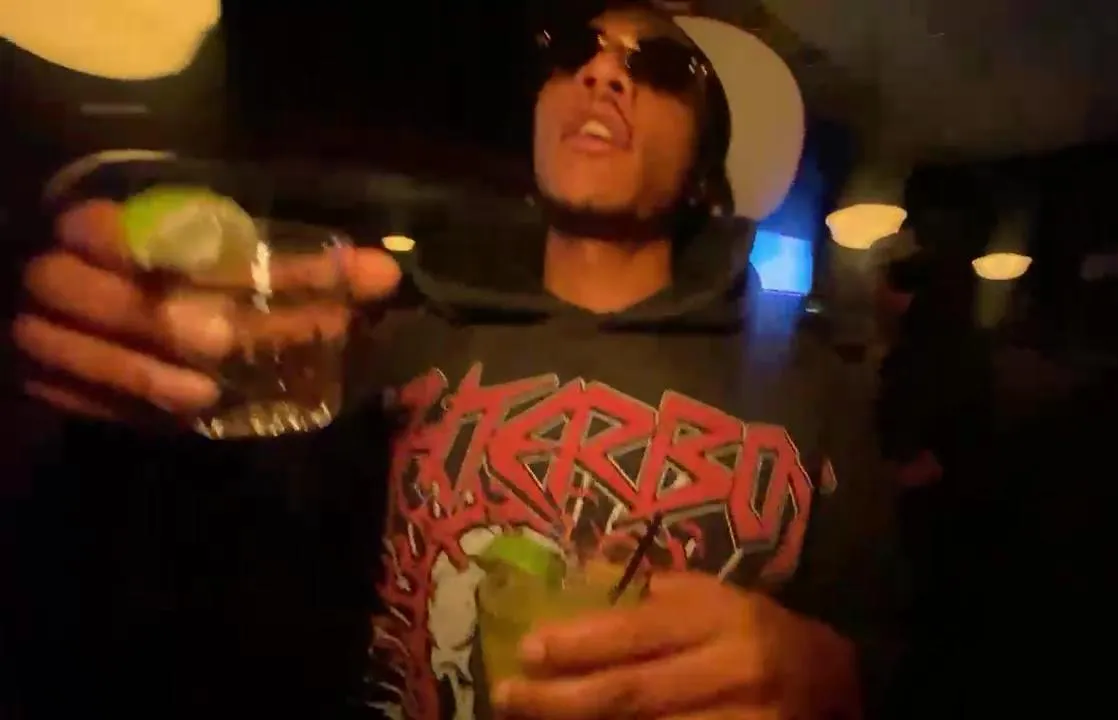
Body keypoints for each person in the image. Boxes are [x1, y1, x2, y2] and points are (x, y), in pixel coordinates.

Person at [9, 3, 903, 719]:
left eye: (662, 68)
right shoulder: (389, 337)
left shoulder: (810, 383)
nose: (602, 74)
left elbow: (901, 658)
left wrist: (833, 683)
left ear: (704, 172)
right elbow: (208, 586)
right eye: (573, 52)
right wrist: (107, 402)